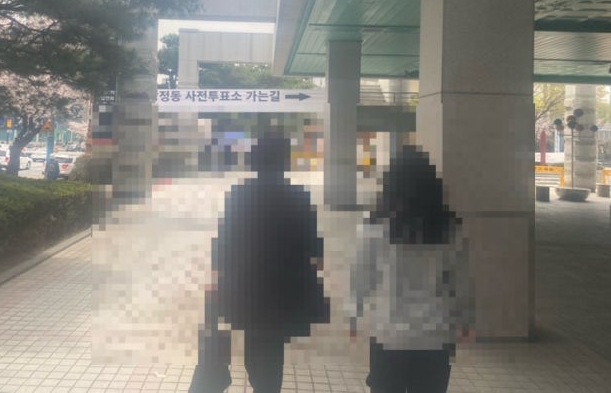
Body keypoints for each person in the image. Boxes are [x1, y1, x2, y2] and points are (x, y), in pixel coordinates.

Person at [190, 134, 329, 393]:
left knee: (254, 338)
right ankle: (267, 386)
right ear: (285, 161)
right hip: (283, 288)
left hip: (246, 285)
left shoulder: (239, 195)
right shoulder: (298, 196)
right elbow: (314, 248)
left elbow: (224, 240)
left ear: (254, 160)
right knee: (273, 345)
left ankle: (260, 381)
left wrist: (216, 277)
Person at [350, 145, 474, 393]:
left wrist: (353, 313)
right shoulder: (450, 228)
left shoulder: (375, 225)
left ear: (390, 184)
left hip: (389, 334)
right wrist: (465, 320)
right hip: (435, 335)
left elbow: (362, 275)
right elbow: (460, 280)